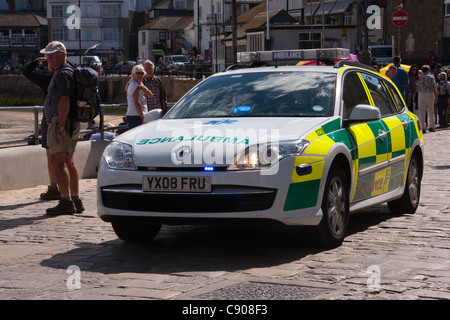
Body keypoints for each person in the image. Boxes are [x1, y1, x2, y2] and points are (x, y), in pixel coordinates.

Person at [40, 41, 84, 215]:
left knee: (58, 163)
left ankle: (66, 201)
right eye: (47, 55)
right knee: (69, 162)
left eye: (51, 55)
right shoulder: (69, 71)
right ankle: (75, 199)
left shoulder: (62, 74)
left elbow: (64, 99)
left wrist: (60, 125)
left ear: (62, 55)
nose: (48, 58)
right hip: (70, 122)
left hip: (61, 123)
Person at [23, 57, 60, 200]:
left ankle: (54, 187)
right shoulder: (69, 74)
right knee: (66, 157)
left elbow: (27, 71)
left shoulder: (48, 80)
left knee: (51, 156)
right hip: (67, 117)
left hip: (50, 117)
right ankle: (69, 192)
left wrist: (37, 61)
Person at [125, 64, 151, 129]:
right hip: (135, 116)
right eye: (138, 73)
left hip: (140, 115)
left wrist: (144, 89)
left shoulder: (140, 84)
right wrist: (143, 118)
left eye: (142, 73)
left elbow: (150, 95)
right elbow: (137, 103)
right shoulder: (134, 85)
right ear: (133, 74)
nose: (140, 75)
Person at [417, 65, 438, 133]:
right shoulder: (431, 77)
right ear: (428, 70)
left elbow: (416, 86)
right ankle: (431, 126)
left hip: (421, 94)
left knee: (422, 112)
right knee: (430, 111)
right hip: (429, 93)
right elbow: (434, 87)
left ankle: (423, 127)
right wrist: (436, 96)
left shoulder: (419, 77)